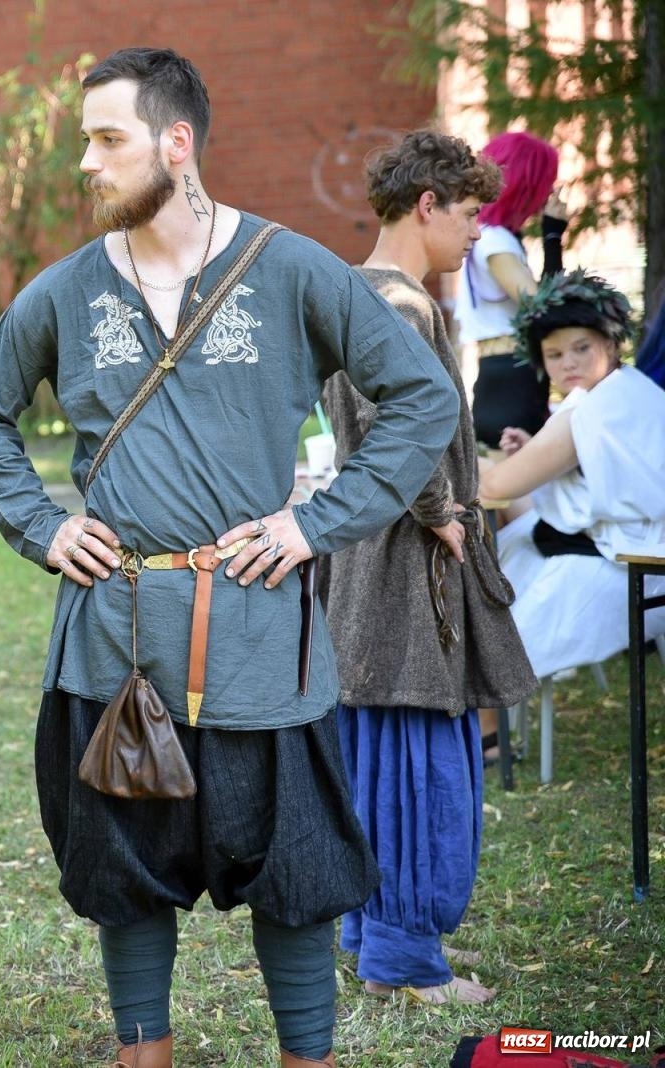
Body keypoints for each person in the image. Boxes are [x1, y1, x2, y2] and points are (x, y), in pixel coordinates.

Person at [0, 47, 458, 1068]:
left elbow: (423, 399)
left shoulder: (289, 269)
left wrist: (319, 521)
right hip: (115, 638)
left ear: (175, 145)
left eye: (107, 140)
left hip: (257, 636)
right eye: (84, 141)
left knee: (297, 873)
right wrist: (42, 524)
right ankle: (146, 1055)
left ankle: (303, 1057)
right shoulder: (65, 292)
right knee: (125, 874)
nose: (86, 164)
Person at [321, 130, 537, 1006]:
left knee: (376, 747)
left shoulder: (349, 293)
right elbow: (389, 435)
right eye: (469, 213)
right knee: (418, 756)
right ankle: (407, 963)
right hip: (407, 564)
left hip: (363, 561)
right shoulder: (404, 307)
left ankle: (373, 939)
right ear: (426, 205)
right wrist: (444, 513)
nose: (476, 233)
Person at [480, 269, 665, 678]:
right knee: (518, 547)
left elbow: (494, 486)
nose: (569, 364)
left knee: (504, 585)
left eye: (581, 348)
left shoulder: (590, 407)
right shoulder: (631, 387)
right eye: (555, 355)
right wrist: (540, 455)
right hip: (644, 562)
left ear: (612, 343)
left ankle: (489, 726)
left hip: (640, 572)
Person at [455, 131, 565, 447]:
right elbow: (546, 308)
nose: (547, 195)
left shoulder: (488, 237)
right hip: (514, 380)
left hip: (501, 376)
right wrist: (553, 238)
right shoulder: (495, 240)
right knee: (517, 489)